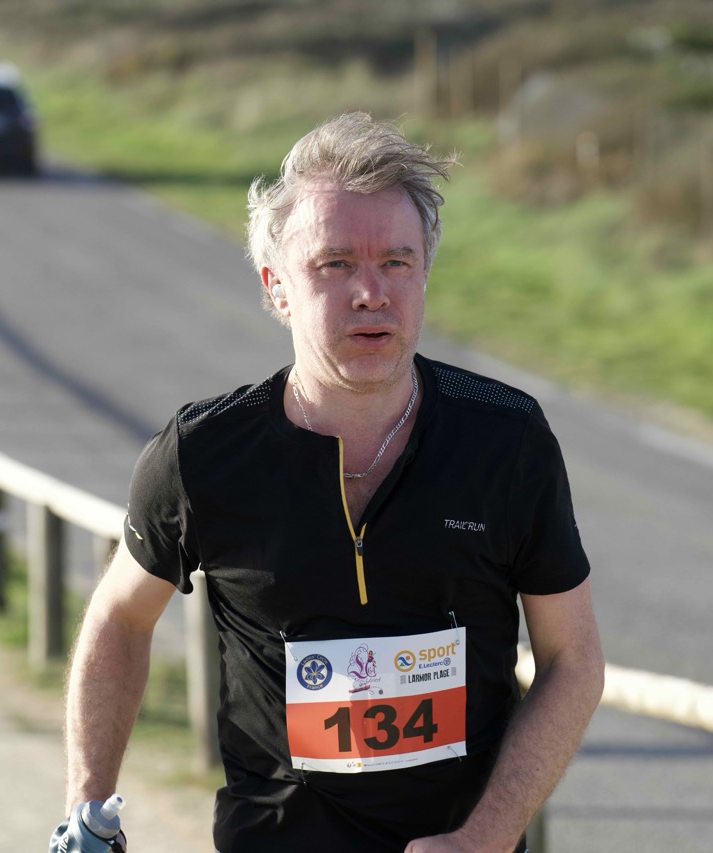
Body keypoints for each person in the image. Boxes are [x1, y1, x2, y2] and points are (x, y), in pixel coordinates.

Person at [58, 112, 605, 853]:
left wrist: (482, 839)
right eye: (335, 264)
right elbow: (120, 618)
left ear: (425, 272)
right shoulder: (203, 454)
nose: (371, 293)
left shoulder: (506, 441)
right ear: (277, 287)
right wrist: (87, 812)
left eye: (397, 262)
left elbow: (573, 661)